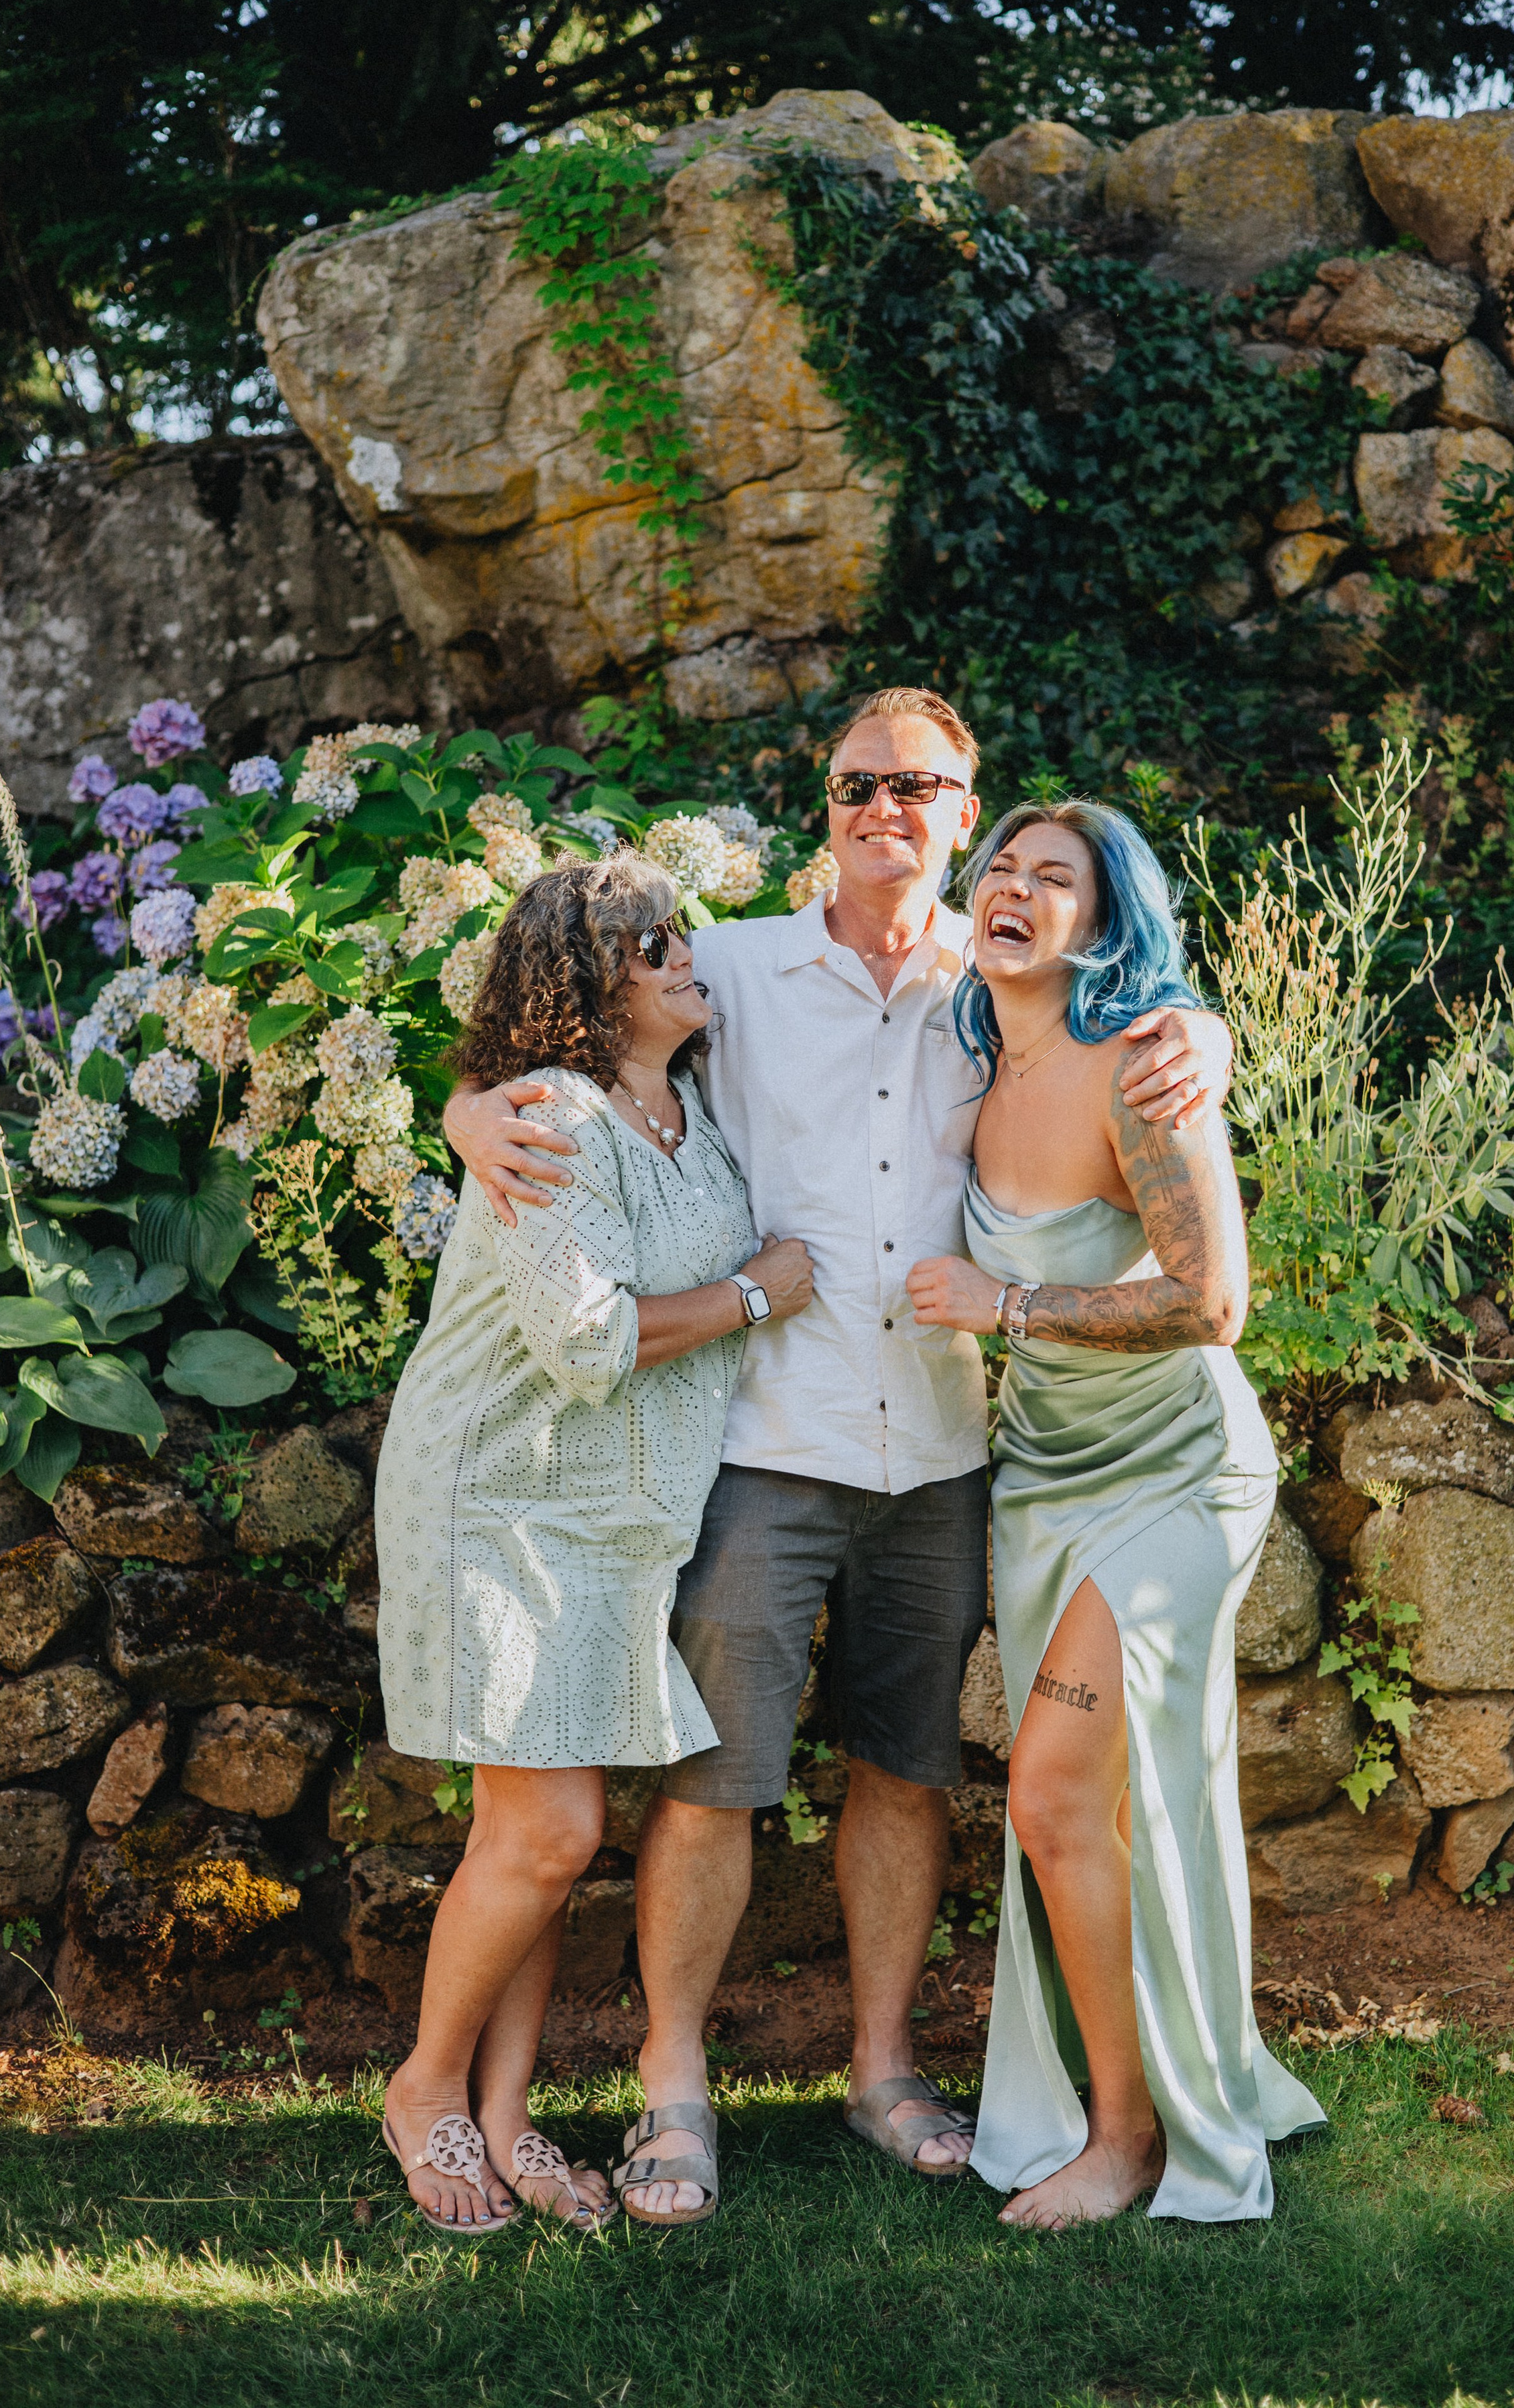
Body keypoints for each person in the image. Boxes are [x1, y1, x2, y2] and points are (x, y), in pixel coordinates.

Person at [443, 688, 1237, 2220]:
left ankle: (880, 2070)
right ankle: (672, 2091)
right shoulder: (731, 970)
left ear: (963, 811)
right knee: (713, 1783)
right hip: (761, 1442)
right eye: (857, 783)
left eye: (918, 787)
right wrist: (473, 1113)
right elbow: (541, 1033)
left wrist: (1197, 1026)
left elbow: (1149, 1034)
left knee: (903, 1773)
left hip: (942, 1449)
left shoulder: (1005, 984)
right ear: (824, 805)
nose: (886, 808)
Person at [374, 855, 812, 2234]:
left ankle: (502, 2122)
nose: (686, 958)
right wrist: (755, 1295)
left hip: (617, 1520)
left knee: (535, 1839)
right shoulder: (550, 1116)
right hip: (504, 1496)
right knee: (551, 1829)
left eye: (681, 935)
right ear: (587, 979)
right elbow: (588, 1341)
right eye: (651, 945)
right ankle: (424, 2088)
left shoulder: (684, 1107)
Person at [905, 799, 1325, 2231]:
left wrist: (1005, 1304)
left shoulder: (1140, 1071)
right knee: (1083, 1810)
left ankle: (1127, 2137)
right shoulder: (960, 1047)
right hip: (1040, 1478)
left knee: (1046, 1791)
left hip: (1169, 1476)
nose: (1014, 890)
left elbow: (1212, 1302)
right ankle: (1164, 2084)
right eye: (999, 870)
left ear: (1105, 921)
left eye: (1054, 877)